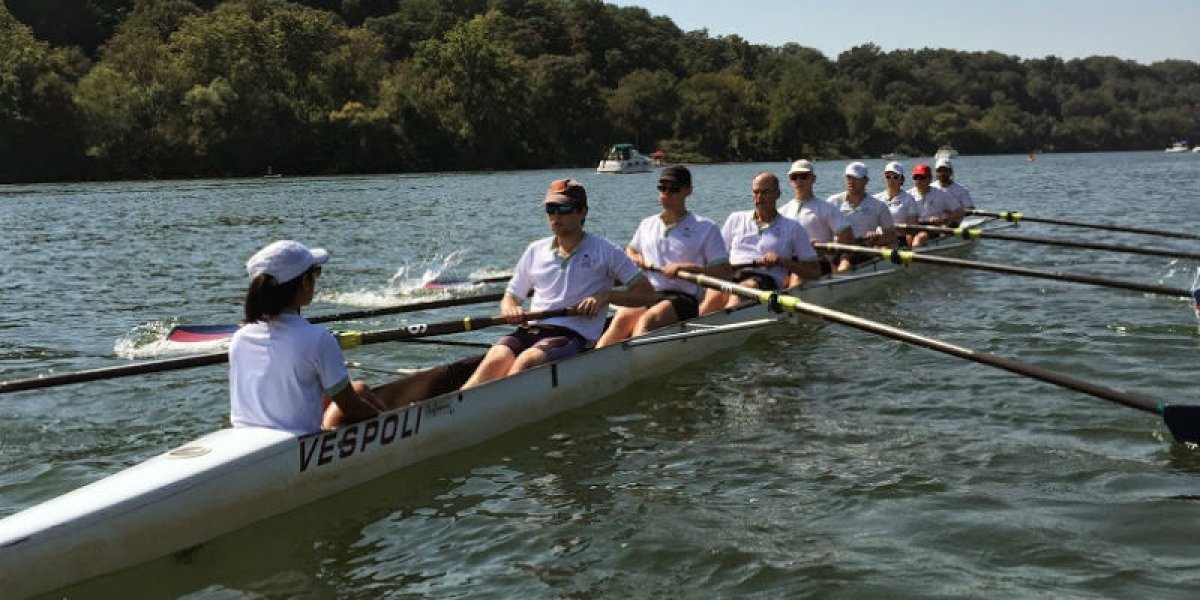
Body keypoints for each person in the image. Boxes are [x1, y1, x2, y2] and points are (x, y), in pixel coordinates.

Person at [462, 178, 656, 389]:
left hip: (572, 335)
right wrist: (511, 309)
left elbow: (646, 294)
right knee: (494, 359)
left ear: (582, 212)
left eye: (563, 208)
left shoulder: (606, 251)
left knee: (526, 363)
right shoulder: (535, 250)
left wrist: (606, 296)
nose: (556, 216)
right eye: (550, 209)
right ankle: (460, 409)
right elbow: (511, 297)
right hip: (532, 329)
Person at [229, 240, 385, 434]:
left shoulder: (240, 338)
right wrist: (389, 420)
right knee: (359, 395)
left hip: (244, 438)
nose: (316, 279)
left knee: (359, 388)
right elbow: (351, 408)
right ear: (304, 282)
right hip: (298, 448)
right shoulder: (318, 339)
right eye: (316, 272)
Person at [596, 166, 731, 347]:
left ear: (688, 191)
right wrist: (635, 257)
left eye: (673, 189)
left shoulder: (706, 228)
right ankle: (599, 360)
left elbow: (724, 273)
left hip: (684, 298)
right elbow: (630, 249)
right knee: (620, 320)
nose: (666, 194)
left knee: (647, 321)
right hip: (649, 294)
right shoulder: (647, 224)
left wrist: (687, 268)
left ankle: (635, 366)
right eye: (662, 188)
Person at [699, 171, 821, 312]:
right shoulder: (735, 219)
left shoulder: (793, 228)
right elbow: (717, 259)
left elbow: (814, 271)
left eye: (765, 192)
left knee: (741, 291)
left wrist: (782, 261)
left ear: (778, 194)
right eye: (755, 192)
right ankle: (697, 329)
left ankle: (719, 328)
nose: (759, 198)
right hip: (734, 274)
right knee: (712, 296)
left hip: (766, 282)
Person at [778, 159, 854, 273]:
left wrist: (825, 249)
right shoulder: (782, 211)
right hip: (789, 262)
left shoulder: (827, 208)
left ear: (813, 179)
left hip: (818, 262)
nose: (798, 180)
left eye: (803, 176)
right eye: (794, 177)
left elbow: (848, 237)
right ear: (790, 181)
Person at [826, 161, 895, 268]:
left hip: (864, 248)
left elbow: (892, 237)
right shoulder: (832, 202)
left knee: (845, 263)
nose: (851, 182)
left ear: (866, 181)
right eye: (848, 177)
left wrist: (877, 239)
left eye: (855, 178)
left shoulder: (879, 206)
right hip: (836, 248)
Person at [907, 163, 961, 247]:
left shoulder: (942, 194)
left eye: (922, 178)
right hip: (914, 226)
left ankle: (914, 255)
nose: (918, 181)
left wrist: (944, 220)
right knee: (908, 237)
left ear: (930, 179)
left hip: (934, 227)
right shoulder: (908, 195)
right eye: (915, 178)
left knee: (920, 238)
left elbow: (959, 212)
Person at [873, 161, 919, 241]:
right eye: (888, 176)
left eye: (895, 177)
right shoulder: (876, 198)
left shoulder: (909, 199)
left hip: (899, 239)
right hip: (877, 238)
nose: (891, 179)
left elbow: (912, 228)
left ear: (902, 180)